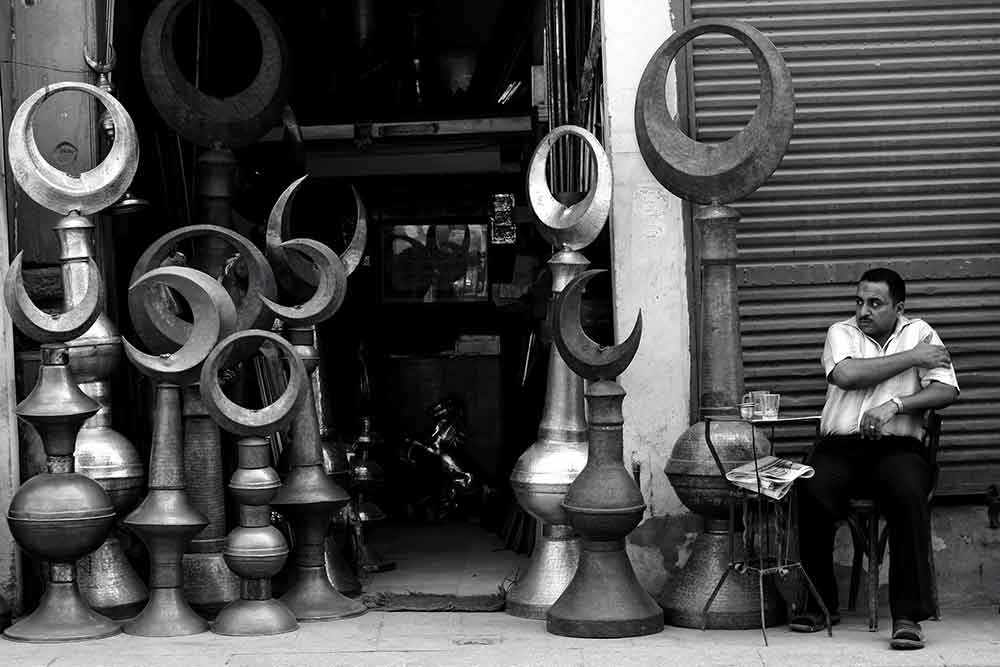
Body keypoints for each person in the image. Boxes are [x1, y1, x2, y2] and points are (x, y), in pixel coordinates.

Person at [792, 268, 959, 650]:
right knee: (811, 487)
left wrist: (896, 404)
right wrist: (913, 358)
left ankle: (907, 617)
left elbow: (946, 391)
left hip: (898, 448)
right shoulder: (841, 332)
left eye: (875, 303)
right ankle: (819, 605)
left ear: (898, 308)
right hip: (840, 446)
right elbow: (847, 375)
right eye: (859, 302)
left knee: (908, 492)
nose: (863, 311)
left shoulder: (920, 332)